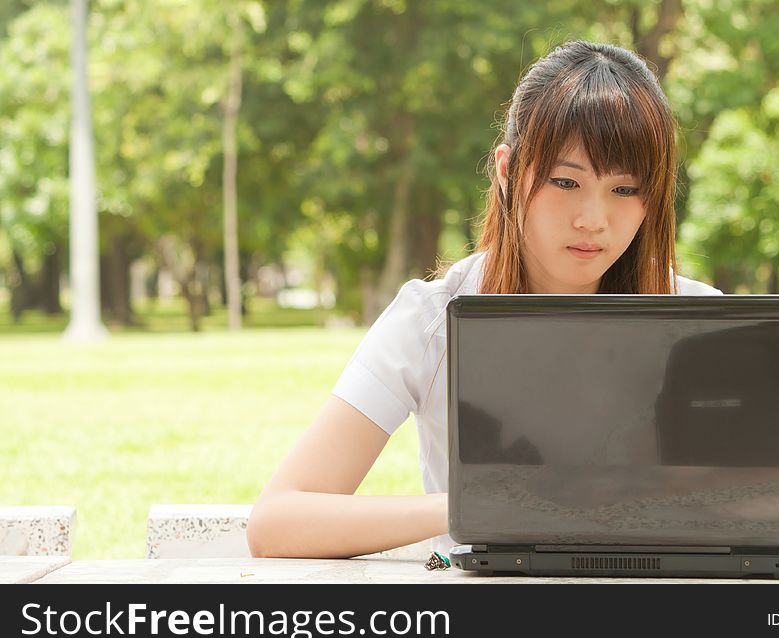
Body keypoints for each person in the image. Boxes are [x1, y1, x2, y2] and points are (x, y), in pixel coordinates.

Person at [246, 39, 722, 560]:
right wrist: (479, 505)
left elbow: (760, 511)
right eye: (566, 181)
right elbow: (278, 522)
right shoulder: (431, 320)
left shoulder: (698, 321)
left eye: (625, 190)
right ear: (506, 171)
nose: (593, 219)